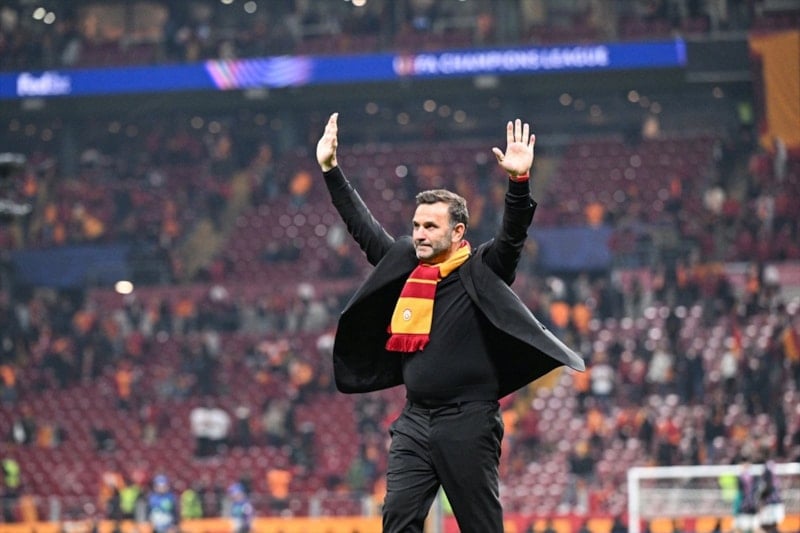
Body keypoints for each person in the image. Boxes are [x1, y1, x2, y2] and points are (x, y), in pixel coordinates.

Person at [315, 113, 584, 533]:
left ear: (458, 232)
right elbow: (363, 228)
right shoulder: (405, 266)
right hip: (415, 420)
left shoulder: (481, 268)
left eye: (430, 226)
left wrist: (519, 182)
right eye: (416, 225)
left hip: (469, 421)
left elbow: (512, 238)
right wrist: (331, 170)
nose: (419, 234)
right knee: (397, 520)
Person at [758, 460, 785, 533]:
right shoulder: (776, 478)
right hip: (776, 504)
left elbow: (766, 489)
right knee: (772, 525)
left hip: (770, 504)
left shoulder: (767, 477)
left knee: (767, 525)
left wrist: (761, 499)